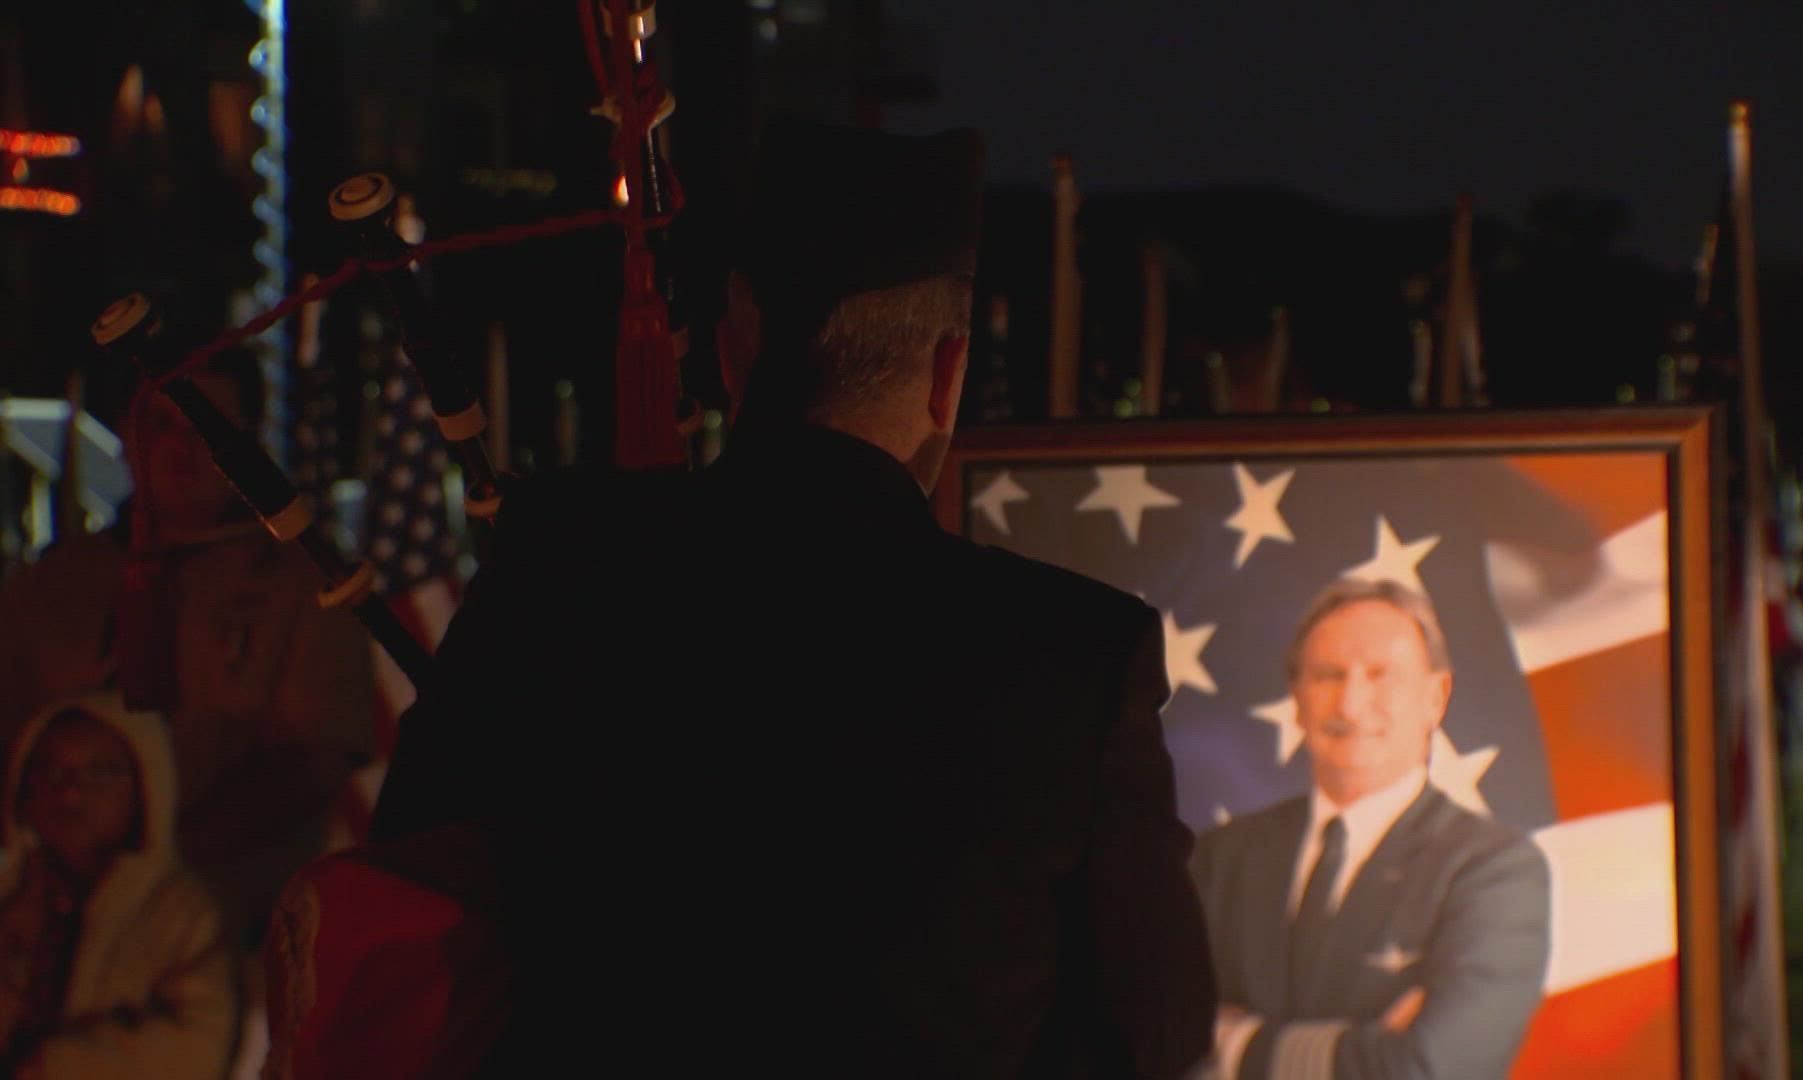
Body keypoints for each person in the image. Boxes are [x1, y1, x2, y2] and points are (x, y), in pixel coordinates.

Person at [367, 119, 1216, 1077]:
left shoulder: (557, 563)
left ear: (737, 346)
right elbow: (1154, 1035)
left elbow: (406, 904)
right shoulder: (1079, 657)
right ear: (948, 377)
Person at [0, 352, 377, 950]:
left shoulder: (303, 584)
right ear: (126, 434)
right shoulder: (52, 587)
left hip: (232, 925)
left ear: (247, 441)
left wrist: (162, 864)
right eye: (162, 426)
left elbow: (315, 759)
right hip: (46, 925)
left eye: (210, 429)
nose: (184, 451)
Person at [1189, 577, 1549, 1080]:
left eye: (1382, 676)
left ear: (1435, 697)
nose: (1351, 704)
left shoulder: (1496, 870)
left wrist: (1231, 1042)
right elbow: (1143, 1045)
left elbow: (1427, 1068)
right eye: (1327, 676)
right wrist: (1367, 1050)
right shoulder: (1218, 859)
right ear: (1297, 698)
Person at [0, 692, 237, 1078]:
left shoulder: (184, 912)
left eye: (99, 772)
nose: (70, 792)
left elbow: (199, 1045)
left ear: (146, 784)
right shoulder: (11, 891)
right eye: (51, 771)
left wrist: (55, 1066)